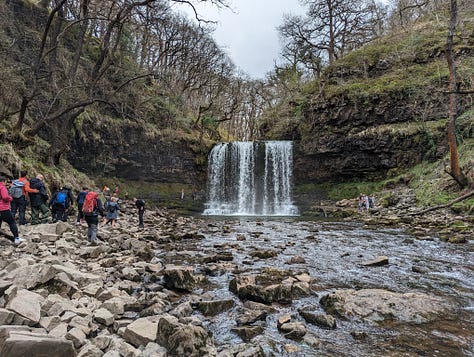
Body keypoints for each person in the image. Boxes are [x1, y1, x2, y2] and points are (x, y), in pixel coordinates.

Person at [0, 176, 24, 245]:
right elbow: (5, 197)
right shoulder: (2, 187)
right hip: (3, 209)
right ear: (3, 181)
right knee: (12, 222)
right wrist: (10, 198)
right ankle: (16, 238)